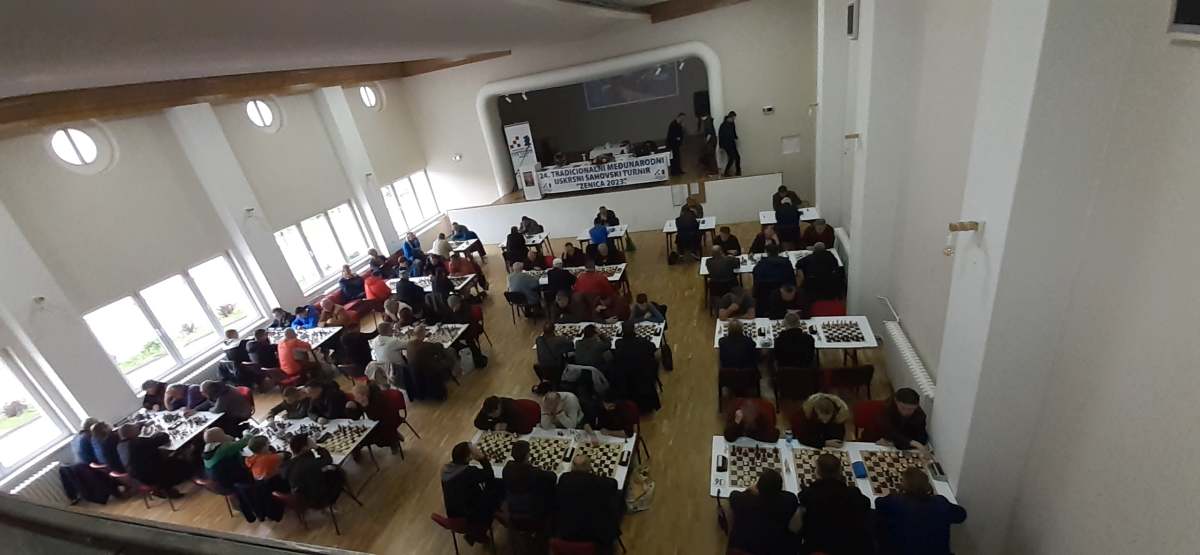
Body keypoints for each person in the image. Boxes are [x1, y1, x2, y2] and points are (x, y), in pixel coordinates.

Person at [875, 468, 966, 555]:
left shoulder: (896, 501)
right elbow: (961, 515)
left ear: (904, 487)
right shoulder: (940, 503)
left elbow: (878, 503)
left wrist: (897, 495)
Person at [795, 455, 873, 555]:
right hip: (848, 545)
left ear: (817, 472)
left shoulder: (808, 494)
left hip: (818, 546)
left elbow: (795, 527)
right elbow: (867, 504)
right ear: (840, 472)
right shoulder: (853, 493)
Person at [725, 469, 800, 555]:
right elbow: (790, 496)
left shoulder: (745, 500)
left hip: (744, 547)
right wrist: (772, 492)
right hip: (773, 548)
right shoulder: (789, 501)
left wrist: (749, 490)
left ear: (757, 487)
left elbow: (733, 495)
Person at [441, 442, 504, 545]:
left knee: (489, 488)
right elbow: (489, 475)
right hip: (471, 517)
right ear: (469, 457)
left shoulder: (446, 470)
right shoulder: (469, 472)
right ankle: (478, 531)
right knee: (498, 486)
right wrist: (482, 458)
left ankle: (473, 534)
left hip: (454, 516)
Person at [556, 454, 622, 547]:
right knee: (617, 498)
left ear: (572, 467)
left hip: (566, 530)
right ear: (589, 466)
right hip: (595, 532)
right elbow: (614, 483)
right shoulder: (604, 483)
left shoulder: (564, 478)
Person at [117, 423, 191, 498]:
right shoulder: (138, 443)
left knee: (166, 456)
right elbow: (163, 438)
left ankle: (165, 489)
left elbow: (150, 442)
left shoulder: (120, 446)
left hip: (139, 479)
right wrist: (159, 430)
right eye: (134, 429)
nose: (137, 429)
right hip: (154, 476)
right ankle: (164, 487)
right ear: (130, 433)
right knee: (184, 460)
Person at [283, 434, 344, 510]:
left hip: (305, 499)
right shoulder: (308, 463)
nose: (312, 441)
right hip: (318, 499)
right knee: (338, 471)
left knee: (328, 470)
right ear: (304, 448)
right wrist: (316, 447)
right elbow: (328, 460)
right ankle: (333, 502)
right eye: (310, 441)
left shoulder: (288, 464)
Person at [612, 321, 661, 413]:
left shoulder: (619, 343)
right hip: (645, 375)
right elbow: (654, 348)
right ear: (634, 329)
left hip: (628, 379)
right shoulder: (643, 341)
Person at [502, 440, 557, 522]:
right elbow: (553, 477)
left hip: (513, 505)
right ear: (527, 455)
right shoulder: (533, 472)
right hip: (532, 506)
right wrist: (539, 469)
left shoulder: (506, 469)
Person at [347, 383, 403, 453]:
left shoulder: (378, 398)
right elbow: (356, 417)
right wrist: (350, 409)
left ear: (364, 395)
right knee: (362, 437)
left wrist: (366, 406)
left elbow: (375, 417)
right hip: (377, 422)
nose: (355, 399)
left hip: (388, 420)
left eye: (357, 397)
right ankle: (394, 436)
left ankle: (394, 440)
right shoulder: (362, 399)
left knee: (376, 438)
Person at [405, 325, 456, 401]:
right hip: (429, 370)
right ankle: (450, 374)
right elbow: (439, 347)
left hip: (416, 372)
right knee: (450, 353)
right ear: (422, 334)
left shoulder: (409, 344)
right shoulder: (425, 346)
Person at [752, 244, 796, 310]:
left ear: (767, 252)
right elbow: (792, 277)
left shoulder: (762, 262)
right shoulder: (786, 262)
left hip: (765, 293)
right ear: (778, 252)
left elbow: (755, 275)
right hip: (783, 292)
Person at [719, 111, 741, 177]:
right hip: (726, 144)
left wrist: (736, 137)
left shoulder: (732, 123)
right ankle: (726, 172)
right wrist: (721, 146)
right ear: (730, 117)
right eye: (733, 118)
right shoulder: (723, 125)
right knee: (732, 157)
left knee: (737, 157)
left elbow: (733, 131)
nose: (733, 120)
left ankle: (738, 172)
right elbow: (720, 136)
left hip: (732, 143)